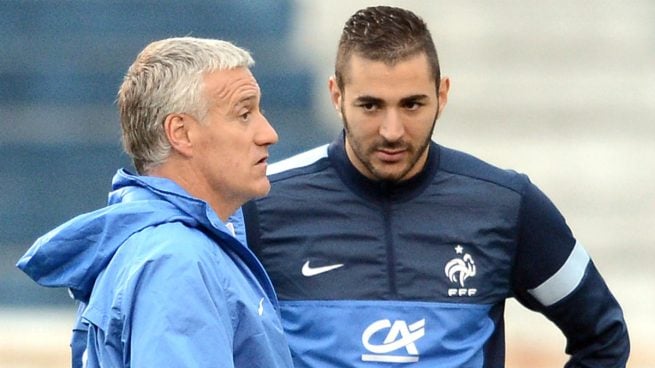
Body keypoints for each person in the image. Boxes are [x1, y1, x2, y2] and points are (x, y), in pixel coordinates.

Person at [243, 6, 630, 367]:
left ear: (442, 95)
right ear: (336, 95)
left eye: (412, 105)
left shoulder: (506, 205)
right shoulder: (260, 203)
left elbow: (603, 335)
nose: (392, 131)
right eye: (370, 106)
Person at [17, 37, 293, 368]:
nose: (268, 133)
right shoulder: (177, 261)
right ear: (181, 133)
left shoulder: (161, 248)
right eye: (244, 113)